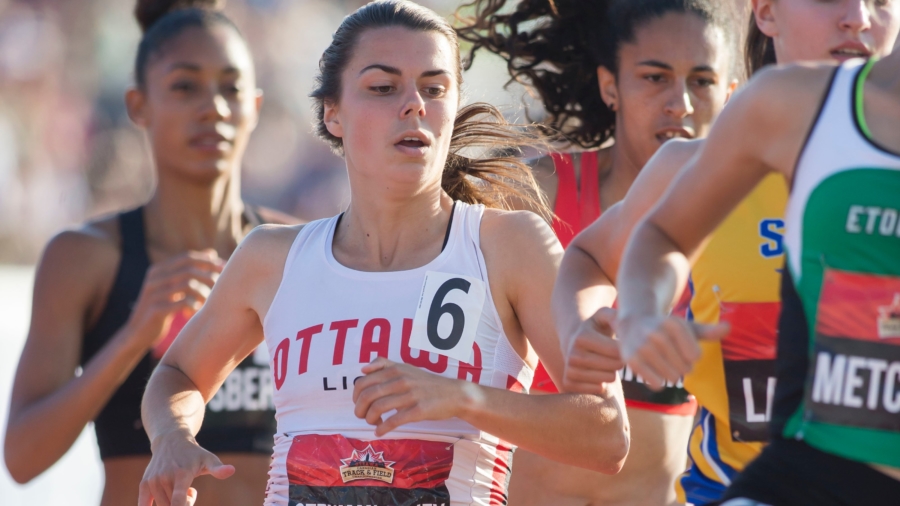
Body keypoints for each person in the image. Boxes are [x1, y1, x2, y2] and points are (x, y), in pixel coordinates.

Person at [136, 2, 630, 506]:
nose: (414, 104)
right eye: (383, 87)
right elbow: (176, 377)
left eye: (434, 89)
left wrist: (461, 397)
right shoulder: (272, 257)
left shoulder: (508, 246)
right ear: (333, 113)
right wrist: (172, 437)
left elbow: (608, 434)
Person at [557, 1, 900, 504]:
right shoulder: (695, 165)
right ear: (766, 13)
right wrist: (609, 325)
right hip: (746, 486)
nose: (857, 17)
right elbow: (591, 256)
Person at [2, 1, 296, 505]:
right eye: (185, 86)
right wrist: (133, 336)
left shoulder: (296, 250)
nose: (213, 107)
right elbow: (23, 459)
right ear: (138, 105)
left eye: (231, 87)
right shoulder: (86, 257)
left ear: (255, 105)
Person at [456, 0, 737, 504]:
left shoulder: (750, 217)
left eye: (702, 81)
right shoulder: (532, 194)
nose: (682, 104)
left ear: (732, 94)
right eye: (655, 78)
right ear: (611, 85)